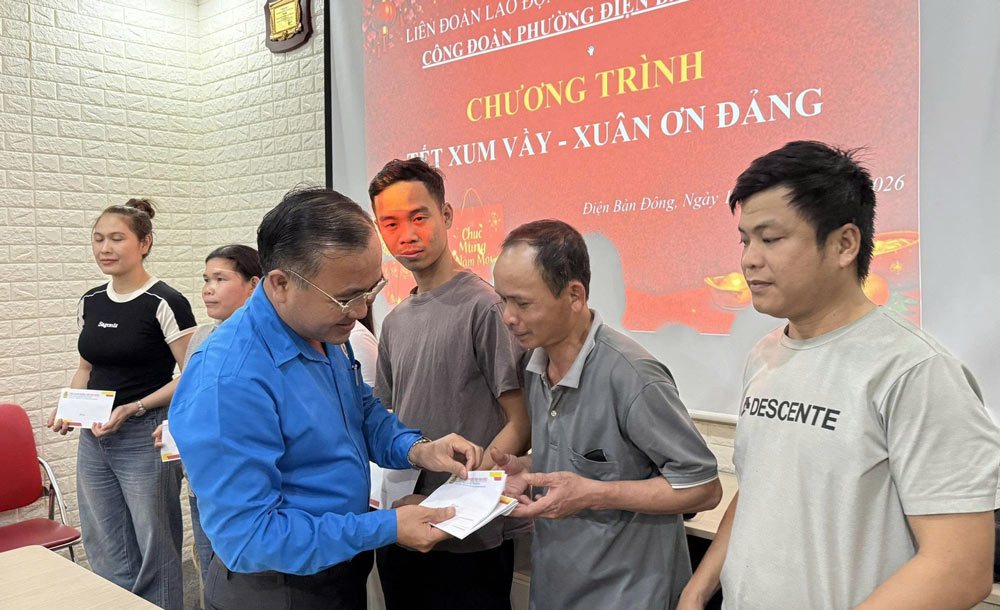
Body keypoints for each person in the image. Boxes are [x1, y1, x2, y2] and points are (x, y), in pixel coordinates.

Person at [677, 141, 1000, 610]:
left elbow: (959, 568)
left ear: (845, 244)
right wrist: (699, 588)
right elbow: (758, 492)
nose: (748, 259)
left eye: (771, 239)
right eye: (745, 240)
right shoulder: (765, 355)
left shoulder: (915, 371)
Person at [168, 187, 484, 610]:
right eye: (347, 298)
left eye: (371, 291)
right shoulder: (229, 377)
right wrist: (385, 528)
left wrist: (418, 450)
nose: (359, 311)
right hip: (278, 586)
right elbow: (250, 538)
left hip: (338, 564)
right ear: (280, 284)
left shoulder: (322, 329)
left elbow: (359, 410)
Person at [491, 219, 722, 610]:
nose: (508, 317)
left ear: (575, 295)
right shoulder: (534, 365)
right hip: (556, 588)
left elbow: (704, 487)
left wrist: (595, 494)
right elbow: (583, 459)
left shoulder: (632, 375)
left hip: (627, 595)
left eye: (523, 303)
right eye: (503, 300)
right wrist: (527, 470)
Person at [368, 158, 530, 610]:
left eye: (419, 217)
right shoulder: (396, 320)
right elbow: (384, 420)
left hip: (468, 536)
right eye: (391, 223)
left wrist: (458, 498)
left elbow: (521, 421)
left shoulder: (485, 307)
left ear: (447, 216)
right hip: (403, 525)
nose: (407, 234)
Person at [48, 198, 196, 610]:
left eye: (116, 239)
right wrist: (69, 406)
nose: (104, 248)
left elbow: (191, 377)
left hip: (147, 435)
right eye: (98, 239)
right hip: (95, 437)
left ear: (144, 243)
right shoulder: (91, 300)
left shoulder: (165, 301)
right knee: (105, 541)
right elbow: (86, 367)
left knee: (155, 543)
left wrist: (135, 407)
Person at [154, 244, 262, 586]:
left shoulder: (264, 339)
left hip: (243, 482)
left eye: (220, 278)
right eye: (206, 279)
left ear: (254, 284)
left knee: (244, 580)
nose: (207, 288)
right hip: (201, 477)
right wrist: (173, 428)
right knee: (209, 572)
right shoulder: (202, 335)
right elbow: (190, 399)